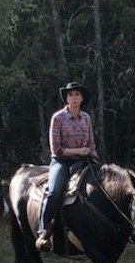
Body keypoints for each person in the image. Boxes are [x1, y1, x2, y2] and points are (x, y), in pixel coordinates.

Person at [35, 81, 98, 251]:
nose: (74, 98)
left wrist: (94, 158)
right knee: (55, 191)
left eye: (77, 94)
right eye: (71, 95)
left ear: (82, 98)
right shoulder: (58, 118)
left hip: (84, 160)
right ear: (67, 99)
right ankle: (44, 231)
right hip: (62, 161)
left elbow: (91, 143)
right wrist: (80, 150)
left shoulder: (86, 118)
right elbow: (57, 149)